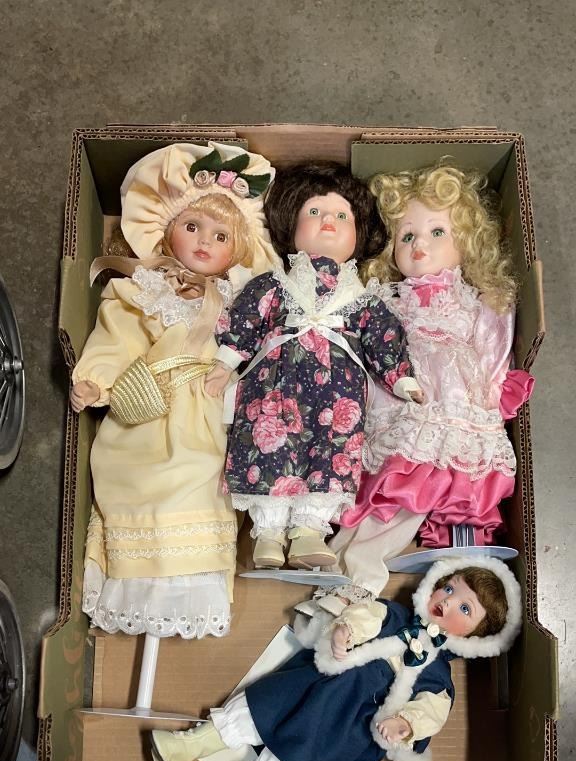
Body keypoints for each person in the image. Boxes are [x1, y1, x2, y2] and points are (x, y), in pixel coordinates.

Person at [151, 554, 521, 761]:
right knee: (262, 707)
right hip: (321, 683)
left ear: (473, 640)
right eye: (449, 587)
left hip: (350, 724)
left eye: (464, 608)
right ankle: (189, 745)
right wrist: (346, 631)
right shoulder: (393, 616)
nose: (448, 601)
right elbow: (365, 616)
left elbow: (431, 713)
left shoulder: (438, 678)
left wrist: (405, 724)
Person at [70, 141, 278, 640]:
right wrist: (96, 379)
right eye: (192, 226)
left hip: (208, 415)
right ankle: (135, 579)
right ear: (165, 229)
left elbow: (259, 356)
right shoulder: (142, 289)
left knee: (202, 484)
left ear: (238, 250)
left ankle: (184, 588)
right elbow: (117, 335)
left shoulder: (242, 300)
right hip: (147, 408)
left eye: (221, 236)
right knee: (139, 482)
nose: (204, 242)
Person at [325, 164, 534, 604]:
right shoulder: (386, 301)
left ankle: (369, 574)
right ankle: (343, 561)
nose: (419, 244)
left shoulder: (476, 301)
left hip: (454, 403)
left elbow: (494, 347)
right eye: (407, 236)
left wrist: (490, 396)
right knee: (388, 485)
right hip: (401, 401)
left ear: (467, 241)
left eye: (437, 231)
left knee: (424, 488)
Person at [205, 161, 421, 571]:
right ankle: (268, 534)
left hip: (336, 398)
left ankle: (309, 531)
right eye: (315, 212)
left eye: (342, 215)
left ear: (358, 233)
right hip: (273, 386)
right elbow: (247, 318)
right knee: (269, 446)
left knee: (330, 452)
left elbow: (382, 337)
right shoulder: (275, 283)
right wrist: (225, 362)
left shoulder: (363, 299)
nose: (328, 221)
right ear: (292, 225)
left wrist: (401, 378)